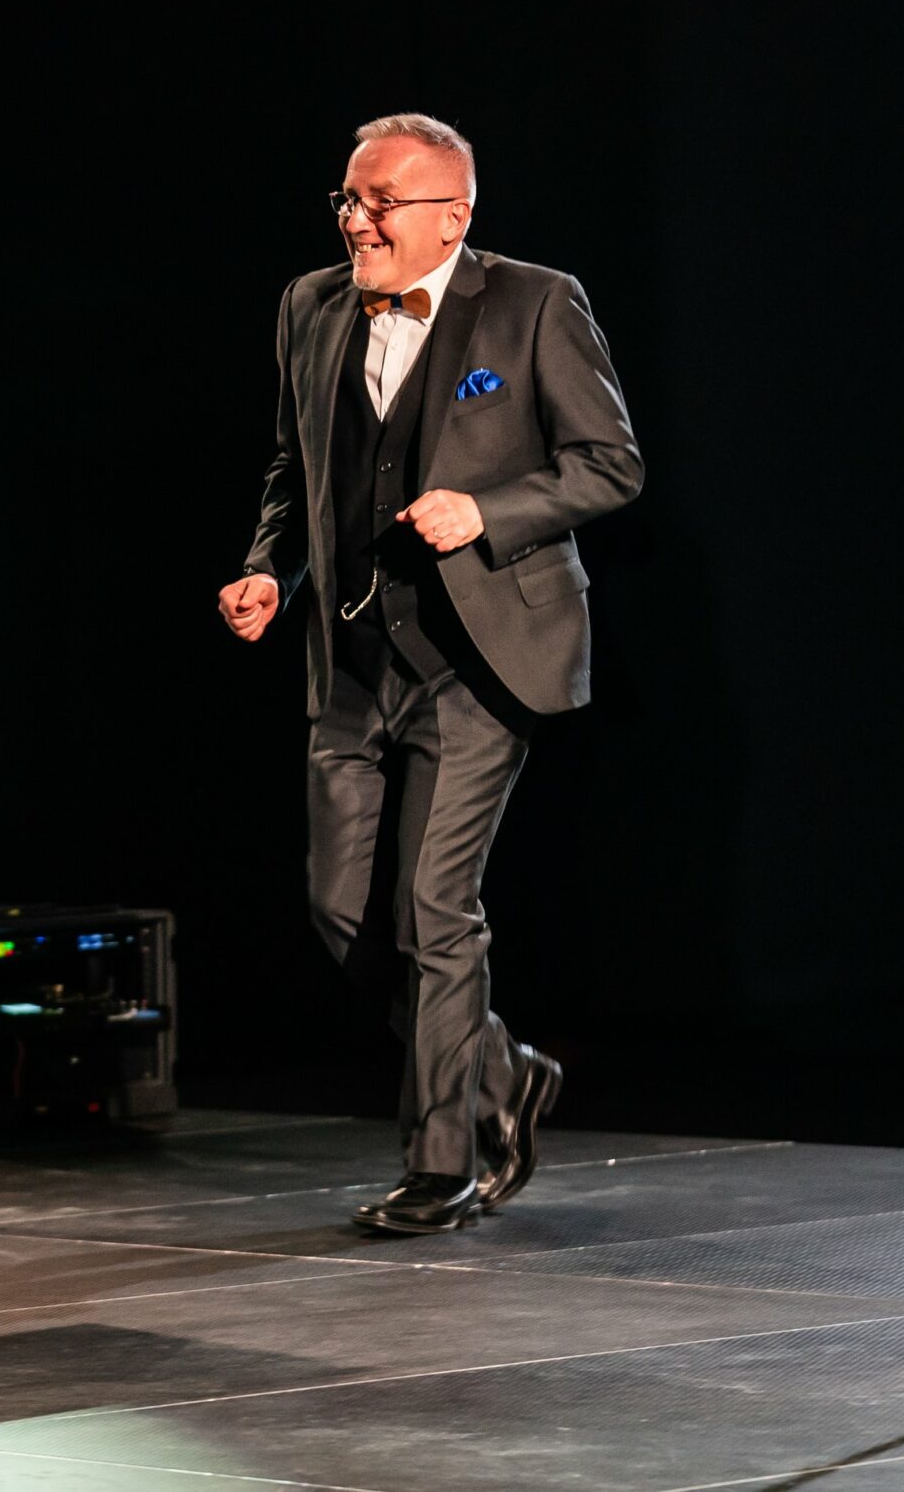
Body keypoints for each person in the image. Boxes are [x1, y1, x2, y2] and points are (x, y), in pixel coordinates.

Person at [220, 113, 643, 1236]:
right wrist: (268, 571)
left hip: (479, 660)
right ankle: (502, 1072)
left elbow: (611, 464)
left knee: (431, 910)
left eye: (380, 204)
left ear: (451, 217)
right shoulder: (309, 305)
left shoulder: (536, 303)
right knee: (339, 911)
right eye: (347, 201)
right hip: (351, 662)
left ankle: (442, 1162)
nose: (356, 223)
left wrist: (487, 511)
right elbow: (293, 466)